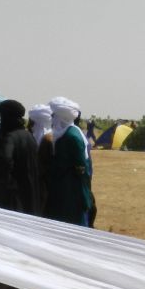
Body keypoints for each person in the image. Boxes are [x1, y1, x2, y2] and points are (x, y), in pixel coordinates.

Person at [0, 99, 41, 289]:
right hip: (31, 195)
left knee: (11, 240)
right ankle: (28, 282)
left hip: (13, 196)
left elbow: (4, 161)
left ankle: (14, 287)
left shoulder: (10, 137)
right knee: (26, 240)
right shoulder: (29, 136)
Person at [45, 96, 95, 226]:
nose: (52, 119)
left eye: (54, 116)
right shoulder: (65, 133)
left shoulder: (71, 136)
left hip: (72, 189)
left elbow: (81, 168)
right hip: (63, 187)